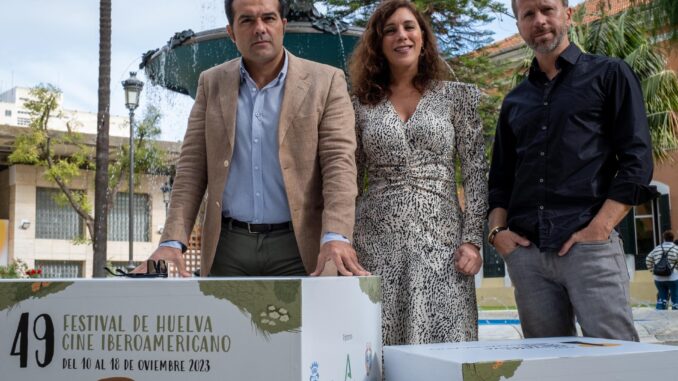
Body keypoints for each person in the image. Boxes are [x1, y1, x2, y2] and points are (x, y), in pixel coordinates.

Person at [138, 0, 369, 277]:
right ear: (232, 32)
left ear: (282, 26)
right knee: (225, 322)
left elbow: (339, 165)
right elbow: (191, 169)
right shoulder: (210, 83)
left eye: (268, 18)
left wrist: (336, 235)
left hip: (300, 246)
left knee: (303, 323)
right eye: (247, 20)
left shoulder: (327, 81)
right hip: (228, 248)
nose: (259, 28)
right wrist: (172, 242)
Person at [488, 0, 657, 341]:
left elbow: (636, 160)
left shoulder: (610, 74)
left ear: (567, 13)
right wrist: (497, 234)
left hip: (589, 246)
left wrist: (600, 228)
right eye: (528, 15)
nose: (539, 21)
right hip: (528, 256)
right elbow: (501, 179)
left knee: (616, 362)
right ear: (519, 25)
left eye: (547, 10)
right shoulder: (515, 101)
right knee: (549, 368)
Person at [349, 0, 488, 345]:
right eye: (390, 30)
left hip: (443, 244)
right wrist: (343, 241)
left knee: (446, 343)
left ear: (423, 36)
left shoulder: (457, 98)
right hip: (375, 242)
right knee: (379, 343)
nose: (402, 36)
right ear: (378, 43)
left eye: (409, 27)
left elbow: (475, 173)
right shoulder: (359, 104)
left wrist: (472, 240)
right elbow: (348, 178)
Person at [646, 231, 678, 310]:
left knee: (662, 298)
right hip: (673, 277)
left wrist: (652, 270)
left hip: (658, 278)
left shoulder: (657, 248)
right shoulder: (676, 248)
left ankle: (660, 314)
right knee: (675, 298)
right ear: (673, 238)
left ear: (663, 238)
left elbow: (648, 259)